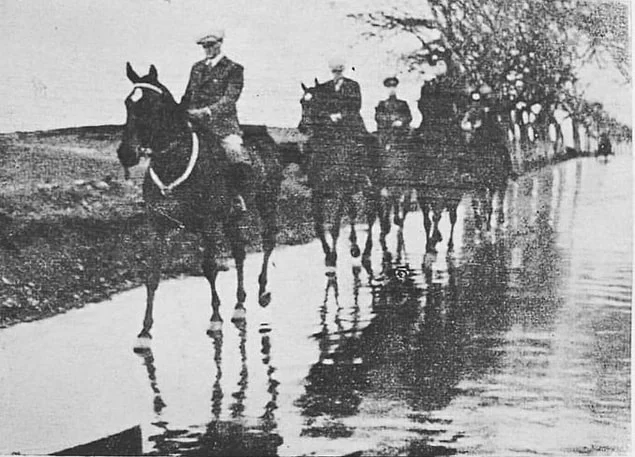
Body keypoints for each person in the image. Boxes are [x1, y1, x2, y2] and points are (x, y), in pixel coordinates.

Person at [181, 28, 252, 214]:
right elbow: (188, 94)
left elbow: (230, 98)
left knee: (234, 152)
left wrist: (207, 111)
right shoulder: (196, 68)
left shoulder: (234, 69)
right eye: (204, 46)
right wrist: (180, 112)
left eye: (211, 45)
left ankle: (237, 197)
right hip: (194, 124)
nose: (207, 49)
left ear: (220, 43)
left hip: (222, 125)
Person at [322, 57, 367, 138]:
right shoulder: (326, 86)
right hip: (331, 122)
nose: (336, 74)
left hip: (350, 122)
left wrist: (341, 115)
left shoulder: (352, 85)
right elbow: (322, 105)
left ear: (342, 70)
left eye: (339, 71)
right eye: (334, 71)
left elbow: (356, 105)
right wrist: (329, 115)